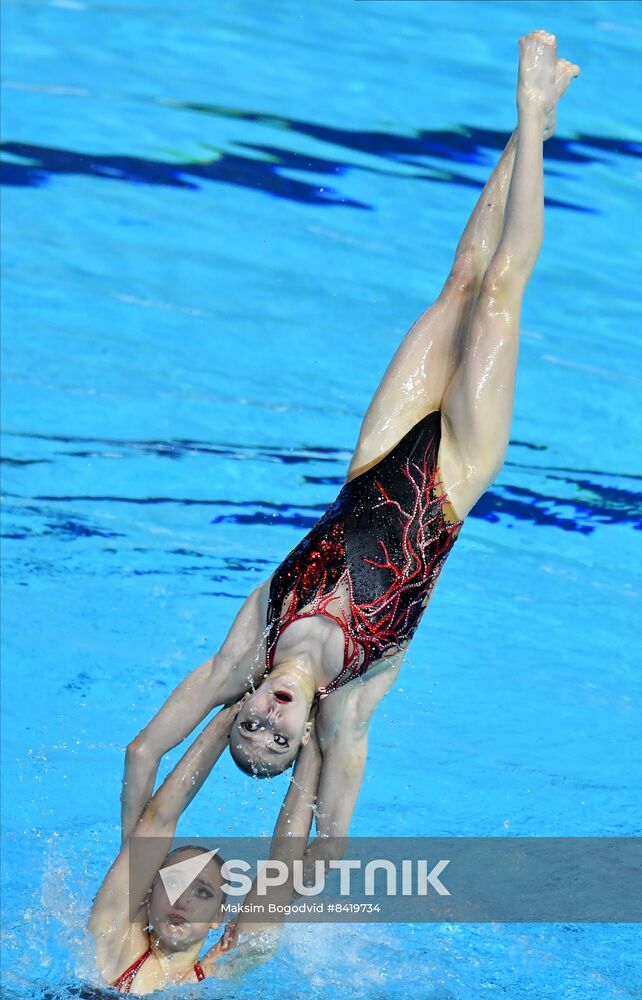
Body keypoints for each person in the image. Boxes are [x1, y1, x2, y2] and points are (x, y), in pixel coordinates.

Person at [121, 32, 579, 860]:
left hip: (375, 459)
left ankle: (533, 127)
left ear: (251, 705)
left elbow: (143, 752)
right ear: (300, 741)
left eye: (249, 730)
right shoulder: (351, 702)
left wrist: (130, 873)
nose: (264, 723)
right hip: (450, 481)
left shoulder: (246, 650)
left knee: (460, 279)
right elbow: (327, 848)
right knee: (502, 294)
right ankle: (529, 104)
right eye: (277, 741)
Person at [90, 698, 322, 993]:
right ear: (147, 894)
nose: (182, 901)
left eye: (202, 892)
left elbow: (283, 869)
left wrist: (310, 735)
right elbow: (158, 819)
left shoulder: (220, 976)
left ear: (217, 918)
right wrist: (233, 716)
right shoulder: (113, 947)